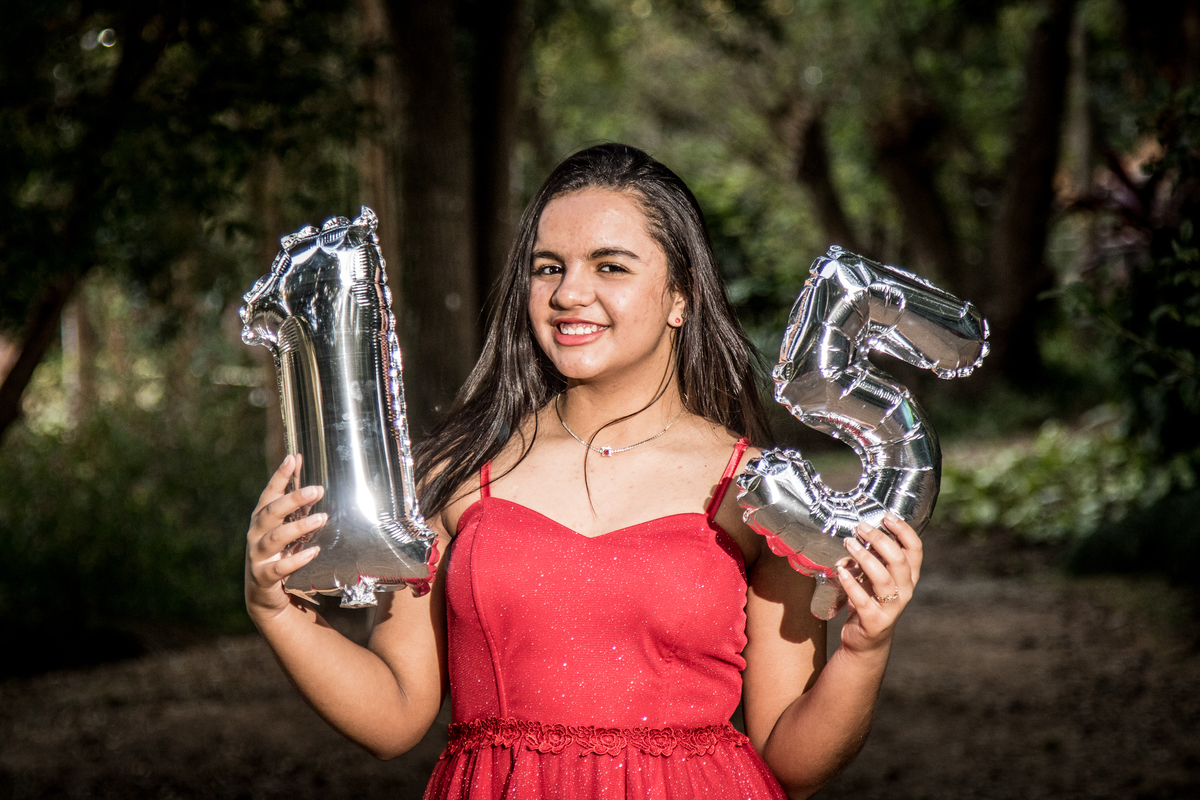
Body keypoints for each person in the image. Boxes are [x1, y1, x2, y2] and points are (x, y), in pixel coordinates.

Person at [244, 143, 922, 799]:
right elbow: (394, 715)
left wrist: (865, 649)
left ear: (680, 296)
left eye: (610, 267)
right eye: (547, 268)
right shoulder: (457, 471)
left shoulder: (758, 492)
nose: (570, 293)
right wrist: (275, 610)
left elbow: (793, 762)